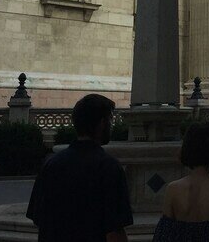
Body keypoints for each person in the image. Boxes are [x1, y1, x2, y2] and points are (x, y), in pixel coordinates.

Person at [27, 94, 133, 242]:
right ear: (103, 123)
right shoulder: (109, 167)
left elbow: (37, 218)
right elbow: (114, 231)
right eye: (111, 119)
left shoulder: (51, 164)